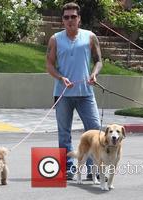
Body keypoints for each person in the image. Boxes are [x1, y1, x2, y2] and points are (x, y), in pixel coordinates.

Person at [46, 2, 103, 180]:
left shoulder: (90, 37)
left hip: (86, 93)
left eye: (73, 17)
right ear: (62, 20)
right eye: (66, 17)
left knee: (94, 131)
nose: (70, 20)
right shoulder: (55, 39)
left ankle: (91, 170)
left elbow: (99, 60)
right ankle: (69, 170)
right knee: (64, 133)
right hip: (63, 94)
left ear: (79, 19)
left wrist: (94, 74)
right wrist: (60, 77)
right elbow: (49, 64)